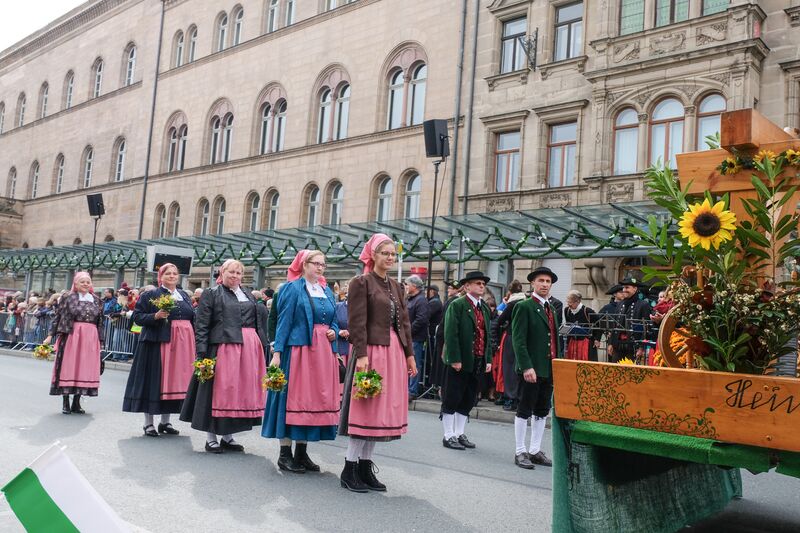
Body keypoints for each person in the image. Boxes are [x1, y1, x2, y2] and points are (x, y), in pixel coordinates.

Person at [338, 233, 417, 493]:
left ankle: (364, 466)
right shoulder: (361, 282)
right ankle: (349, 468)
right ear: (373, 255)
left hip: (393, 352)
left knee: (378, 411)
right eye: (385, 253)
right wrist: (361, 355)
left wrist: (409, 355)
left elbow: (403, 322)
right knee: (366, 408)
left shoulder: (396, 286)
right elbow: (356, 322)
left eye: (393, 254)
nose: (390, 257)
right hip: (370, 351)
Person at [263, 250, 340, 473]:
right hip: (298, 352)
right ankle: (285, 453)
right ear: (304, 265)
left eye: (323, 265)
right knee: (294, 399)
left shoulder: (326, 290)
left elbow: (334, 320)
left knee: (312, 401)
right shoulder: (291, 288)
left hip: (322, 353)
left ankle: (302, 453)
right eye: (316, 264)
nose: (320, 268)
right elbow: (283, 322)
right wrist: (277, 352)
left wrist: (334, 331)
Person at [180, 259, 269, 453]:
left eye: (238, 273)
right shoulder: (211, 294)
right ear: (222, 272)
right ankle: (211, 437)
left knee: (237, 393)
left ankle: (228, 437)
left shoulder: (247, 294)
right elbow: (202, 325)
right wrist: (202, 354)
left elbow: (258, 323)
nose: (235, 276)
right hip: (222, 347)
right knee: (218, 391)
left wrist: (263, 346)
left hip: (248, 350)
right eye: (231, 272)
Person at [123, 263, 195, 437]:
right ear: (160, 276)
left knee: (171, 383)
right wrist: (155, 316)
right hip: (157, 343)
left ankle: (165, 422)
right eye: (168, 273)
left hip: (181, 346)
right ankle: (148, 423)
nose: (172, 276)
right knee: (155, 381)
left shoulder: (183, 295)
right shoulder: (150, 295)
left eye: (175, 273)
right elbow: (137, 318)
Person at [512, 266, 561, 469]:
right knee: (524, 409)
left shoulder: (551, 309)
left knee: (542, 410)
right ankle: (520, 451)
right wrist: (526, 367)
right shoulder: (524, 307)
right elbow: (519, 340)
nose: (544, 284)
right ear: (532, 283)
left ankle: (534, 450)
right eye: (541, 280)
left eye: (548, 281)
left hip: (548, 368)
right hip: (531, 368)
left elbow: (555, 340)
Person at [441, 271, 493, 450]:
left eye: (483, 283)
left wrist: (488, 358)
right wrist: (454, 358)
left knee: (469, 398)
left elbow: (487, 335)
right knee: (452, 396)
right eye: (477, 283)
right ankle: (448, 435)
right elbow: (451, 333)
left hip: (477, 360)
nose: (481, 286)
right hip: (460, 359)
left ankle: (458, 433)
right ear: (467, 286)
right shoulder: (458, 305)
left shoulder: (484, 308)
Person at [44, 272, 104, 415]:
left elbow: (100, 323)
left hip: (90, 336)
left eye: (88, 282)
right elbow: (58, 317)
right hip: (72, 334)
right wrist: (49, 336)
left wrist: (101, 341)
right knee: (68, 367)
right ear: (75, 284)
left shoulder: (97, 300)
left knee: (84, 368)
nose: (85, 284)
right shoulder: (67, 297)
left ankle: (76, 402)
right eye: (82, 281)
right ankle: (65, 402)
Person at [492, 280, 526, 411]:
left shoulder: (511, 304)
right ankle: (520, 398)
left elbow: (500, 320)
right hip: (525, 338)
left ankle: (511, 399)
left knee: (509, 368)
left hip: (511, 337)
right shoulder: (527, 301)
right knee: (521, 368)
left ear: (510, 291)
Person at [607, 277, 651, 363]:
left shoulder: (643, 305)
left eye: (627, 287)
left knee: (630, 373)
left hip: (633, 346)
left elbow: (646, 328)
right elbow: (614, 326)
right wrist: (610, 343)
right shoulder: (620, 304)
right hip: (618, 345)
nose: (624, 290)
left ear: (635, 289)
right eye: (623, 287)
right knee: (614, 372)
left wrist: (641, 348)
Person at [404, 274, 429, 400]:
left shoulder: (421, 300)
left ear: (414, 286)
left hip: (415, 338)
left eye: (407, 284)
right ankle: (405, 388)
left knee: (414, 364)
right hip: (408, 338)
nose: (405, 286)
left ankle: (412, 391)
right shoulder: (410, 299)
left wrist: (407, 332)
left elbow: (421, 319)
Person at [563, 290, 601, 362]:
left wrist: (597, 339)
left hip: (586, 342)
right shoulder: (567, 310)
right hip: (573, 341)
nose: (568, 304)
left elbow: (599, 325)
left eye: (570, 302)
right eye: (567, 302)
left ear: (577, 301)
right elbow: (568, 325)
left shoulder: (588, 311)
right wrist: (567, 343)